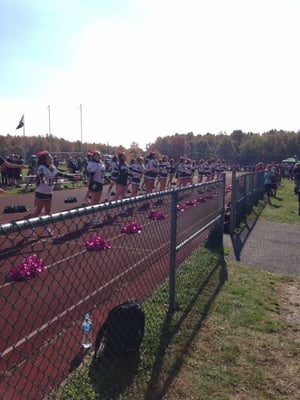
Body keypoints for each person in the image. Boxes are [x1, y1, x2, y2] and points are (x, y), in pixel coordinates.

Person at [29, 151, 60, 236]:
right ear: (44, 159)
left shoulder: (52, 167)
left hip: (49, 192)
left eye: (51, 157)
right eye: (49, 158)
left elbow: (59, 174)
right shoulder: (42, 167)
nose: (51, 159)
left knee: (48, 211)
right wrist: (43, 180)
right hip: (41, 192)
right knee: (38, 210)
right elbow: (41, 175)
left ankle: (46, 227)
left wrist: (72, 177)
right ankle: (31, 227)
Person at [86, 151, 106, 224]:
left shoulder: (101, 163)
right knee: (94, 201)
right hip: (95, 183)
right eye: (97, 155)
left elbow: (102, 174)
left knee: (97, 201)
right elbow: (91, 175)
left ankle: (91, 214)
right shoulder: (93, 164)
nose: (99, 156)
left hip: (100, 183)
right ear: (94, 157)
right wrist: (93, 183)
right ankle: (93, 217)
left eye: (99, 155)